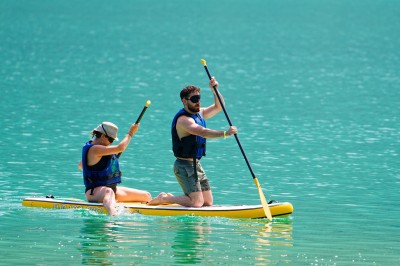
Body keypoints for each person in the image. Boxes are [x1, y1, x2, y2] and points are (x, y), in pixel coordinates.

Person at [148, 77, 238, 207]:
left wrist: (215, 91)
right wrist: (225, 133)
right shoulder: (184, 120)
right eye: (194, 99)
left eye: (199, 98)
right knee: (196, 202)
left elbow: (219, 107)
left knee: (207, 202)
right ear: (184, 101)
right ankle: (165, 198)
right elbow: (202, 132)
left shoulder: (199, 113)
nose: (198, 102)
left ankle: (184, 198)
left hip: (196, 164)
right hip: (184, 166)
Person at [78, 121, 152, 215]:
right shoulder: (94, 149)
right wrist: (130, 133)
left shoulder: (100, 150)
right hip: (94, 192)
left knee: (146, 196)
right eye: (110, 140)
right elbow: (120, 148)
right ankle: (113, 217)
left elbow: (81, 166)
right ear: (103, 136)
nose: (110, 143)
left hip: (111, 189)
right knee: (108, 192)